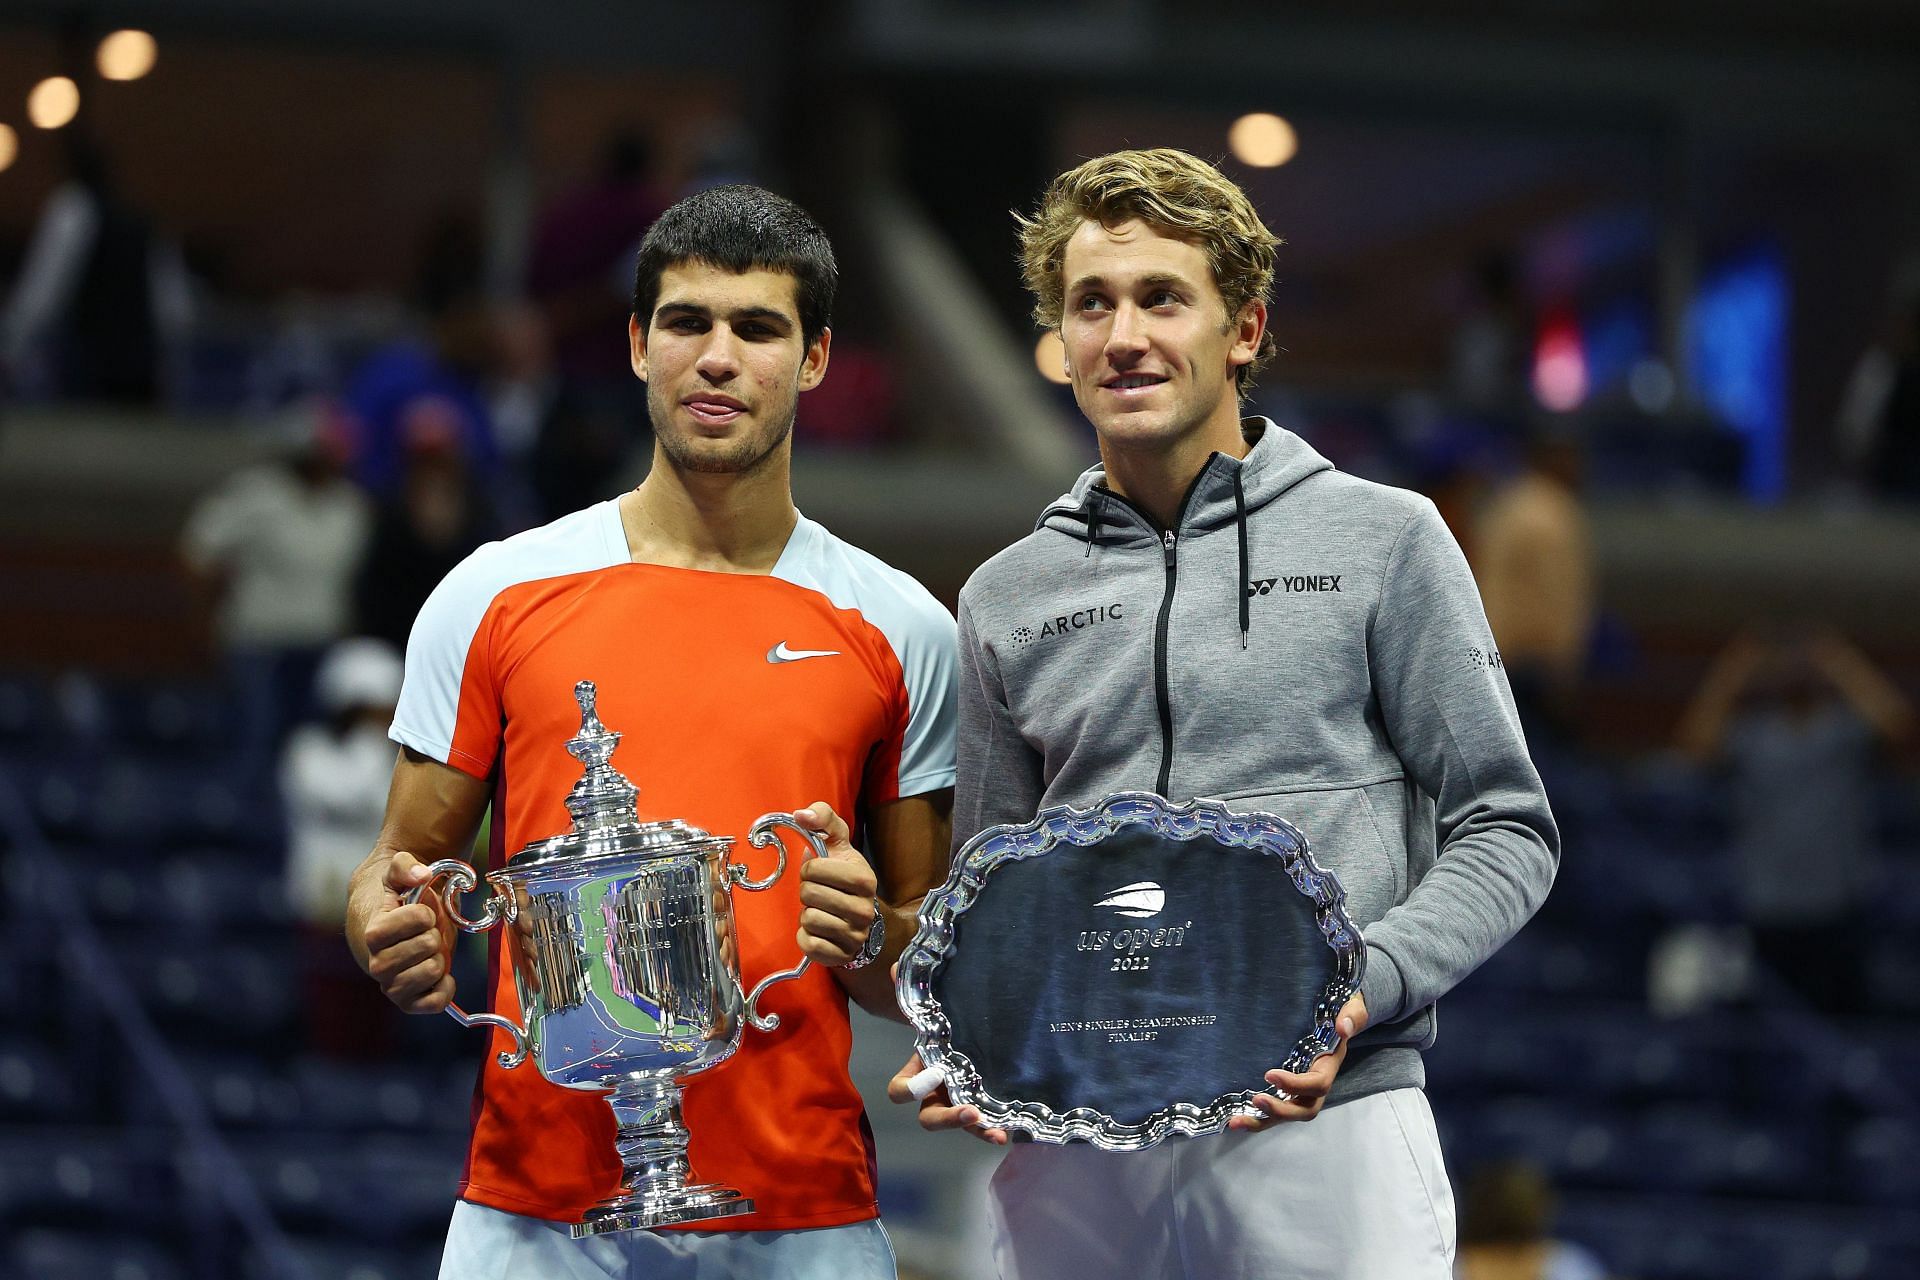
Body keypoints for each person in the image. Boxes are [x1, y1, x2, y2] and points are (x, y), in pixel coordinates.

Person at [890, 148, 1559, 1278]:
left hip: (1323, 1121)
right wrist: (982, 1027)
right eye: (1091, 303)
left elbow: (1509, 827)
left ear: (1243, 328)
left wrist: (1358, 983)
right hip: (1078, 1149)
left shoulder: (1386, 540)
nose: (1125, 334)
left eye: (1163, 297)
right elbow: (997, 886)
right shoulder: (1007, 594)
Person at [345, 185, 959, 1279]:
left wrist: (867, 929)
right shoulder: (495, 591)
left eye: (757, 329)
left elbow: (922, 965)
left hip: (801, 1212)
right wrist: (387, 926)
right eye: (687, 322)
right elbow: (401, 870)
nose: (717, 357)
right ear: (637, 344)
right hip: (534, 1214)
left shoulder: (904, 626)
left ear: (814, 359)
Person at [1675, 626, 1912, 1014]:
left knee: (1842, 1021)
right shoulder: (1753, 735)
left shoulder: (1843, 731)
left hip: (1838, 907)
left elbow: (1897, 725)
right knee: (1774, 1024)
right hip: (1770, 908)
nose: (1795, 669)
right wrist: (1732, 672)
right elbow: (1695, 747)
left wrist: (1842, 662)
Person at [282, 636, 406, 1059]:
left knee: (378, 1033)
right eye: (371, 711)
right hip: (322, 916)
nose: (382, 721)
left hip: (383, 916)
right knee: (330, 1029)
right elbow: (347, 795)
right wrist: (372, 744)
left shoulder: (403, 763)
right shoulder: (308, 752)